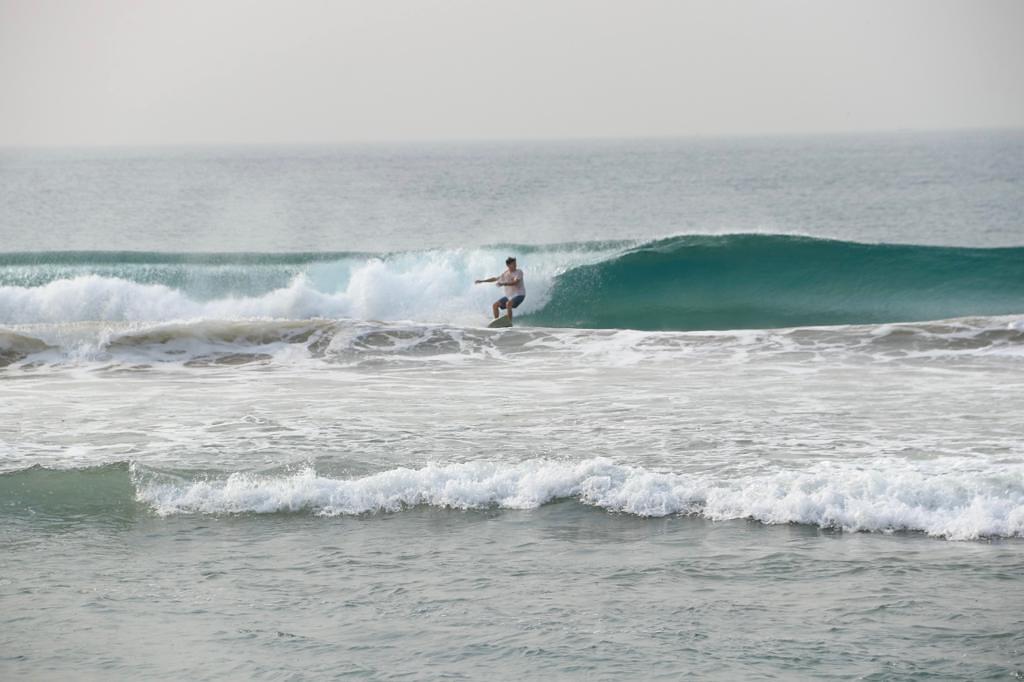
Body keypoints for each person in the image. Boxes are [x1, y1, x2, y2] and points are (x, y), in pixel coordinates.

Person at [475, 257, 526, 321]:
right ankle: (496, 322)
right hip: (509, 296)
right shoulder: (505, 274)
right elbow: (495, 279)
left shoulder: (519, 272)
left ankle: (509, 323)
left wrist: (504, 284)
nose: (516, 265)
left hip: (519, 295)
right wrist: (482, 281)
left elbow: (515, 282)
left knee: (508, 303)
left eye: (515, 263)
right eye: (513, 264)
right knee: (495, 305)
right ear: (508, 265)